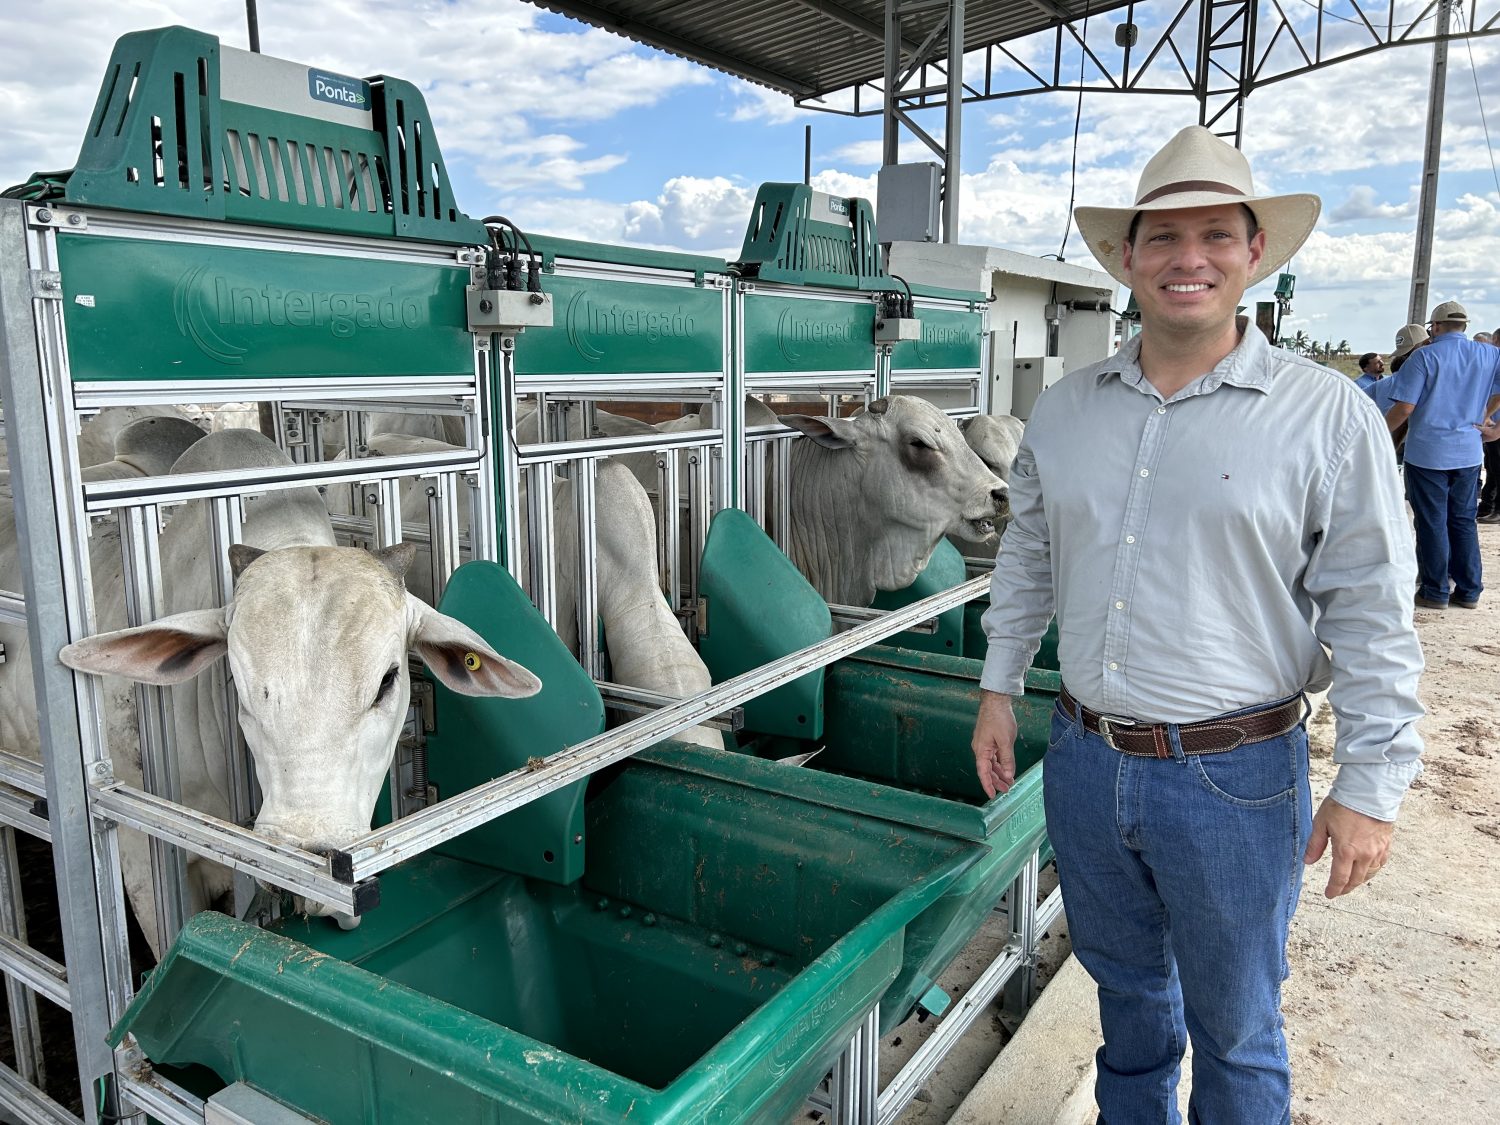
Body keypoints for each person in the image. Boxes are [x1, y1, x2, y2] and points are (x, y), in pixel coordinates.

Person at [971, 125, 1425, 1125]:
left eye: (1216, 235)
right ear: (1125, 257)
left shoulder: (1324, 416)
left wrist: (1374, 784)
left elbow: (1372, 609)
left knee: (1240, 1028)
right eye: (1164, 237)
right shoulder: (1068, 410)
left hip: (1237, 776)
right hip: (1088, 760)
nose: (1190, 260)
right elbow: (1030, 558)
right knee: (1127, 1002)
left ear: (1254, 252)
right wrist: (999, 687)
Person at [1382, 301, 1500, 608]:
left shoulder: (1424, 356)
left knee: (1432, 520)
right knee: (1463, 521)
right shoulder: (1490, 354)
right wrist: (1490, 419)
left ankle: (1435, 590)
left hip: (1427, 453)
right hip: (1469, 451)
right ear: (1465, 326)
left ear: (1434, 327)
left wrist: (1379, 435)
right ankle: (1470, 590)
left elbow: (1405, 408)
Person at [1480, 328, 1500, 523]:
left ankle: (1497, 510)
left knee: (1496, 469)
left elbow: (1498, 395)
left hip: (1495, 426)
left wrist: (1484, 415)